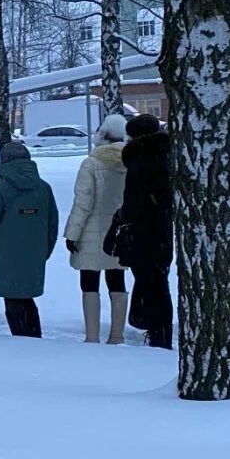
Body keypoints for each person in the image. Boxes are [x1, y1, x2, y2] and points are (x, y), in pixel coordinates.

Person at [0, 140, 58, 337]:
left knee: (12, 298)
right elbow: (52, 224)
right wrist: (45, 251)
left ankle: (20, 341)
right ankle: (34, 336)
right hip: (33, 252)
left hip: (5, 254)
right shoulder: (43, 188)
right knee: (26, 298)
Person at [64, 114, 131, 343]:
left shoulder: (91, 164)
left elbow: (83, 202)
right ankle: (117, 335)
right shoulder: (130, 163)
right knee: (117, 281)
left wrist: (72, 234)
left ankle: (92, 336)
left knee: (89, 283)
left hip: (91, 232)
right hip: (120, 234)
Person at [113, 114, 172, 350]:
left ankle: (157, 335)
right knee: (160, 284)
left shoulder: (139, 162)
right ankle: (161, 334)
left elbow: (132, 206)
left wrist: (122, 217)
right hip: (164, 233)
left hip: (143, 234)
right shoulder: (167, 157)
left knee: (149, 284)